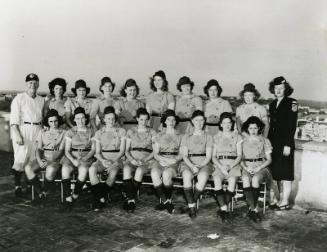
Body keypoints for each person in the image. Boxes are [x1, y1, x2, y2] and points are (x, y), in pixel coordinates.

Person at [10, 73, 45, 197]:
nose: (33, 85)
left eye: (35, 83)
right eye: (30, 83)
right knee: (20, 159)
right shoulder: (19, 98)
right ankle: (17, 186)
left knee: (33, 158)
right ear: (26, 84)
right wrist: (17, 134)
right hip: (23, 130)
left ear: (38, 84)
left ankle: (31, 186)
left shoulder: (41, 99)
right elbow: (13, 120)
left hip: (37, 130)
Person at [267, 76, 297, 210]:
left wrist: (288, 144)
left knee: (285, 173)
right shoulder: (272, 104)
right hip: (273, 143)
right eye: (276, 88)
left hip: (285, 143)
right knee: (274, 172)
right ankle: (275, 199)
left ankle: (285, 201)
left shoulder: (292, 102)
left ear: (286, 89)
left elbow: (292, 126)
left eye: (281, 88)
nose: (278, 90)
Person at [89, 106, 126, 211]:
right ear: (104, 119)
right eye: (108, 118)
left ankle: (98, 199)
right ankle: (101, 197)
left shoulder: (121, 131)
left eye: (113, 118)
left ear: (116, 119)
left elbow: (122, 151)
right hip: (103, 159)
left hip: (117, 159)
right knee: (92, 169)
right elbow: (97, 152)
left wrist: (114, 162)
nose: (111, 121)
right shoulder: (99, 132)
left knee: (113, 173)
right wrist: (103, 161)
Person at [26, 109, 66, 204]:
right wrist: (39, 161)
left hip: (56, 159)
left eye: (55, 121)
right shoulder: (42, 132)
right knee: (28, 168)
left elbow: (61, 150)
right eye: (51, 121)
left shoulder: (64, 133)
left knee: (50, 170)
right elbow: (38, 149)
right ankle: (41, 193)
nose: (53, 123)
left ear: (58, 120)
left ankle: (42, 193)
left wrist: (49, 162)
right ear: (47, 122)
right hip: (44, 157)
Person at [60, 107, 95, 211]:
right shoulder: (70, 132)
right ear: (74, 119)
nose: (80, 121)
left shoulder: (91, 131)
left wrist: (85, 158)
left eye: (83, 118)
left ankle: (75, 195)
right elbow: (67, 150)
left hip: (86, 156)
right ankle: (68, 198)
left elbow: (93, 150)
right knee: (65, 170)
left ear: (86, 119)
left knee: (83, 171)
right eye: (78, 118)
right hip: (72, 157)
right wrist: (73, 160)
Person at [180, 110, 213, 218]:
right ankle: (192, 206)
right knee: (186, 176)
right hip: (189, 162)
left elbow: (208, 156)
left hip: (204, 162)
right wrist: (192, 166)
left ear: (204, 122)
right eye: (196, 120)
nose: (199, 123)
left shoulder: (208, 136)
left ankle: (190, 204)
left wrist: (201, 165)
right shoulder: (186, 136)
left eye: (201, 120)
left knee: (203, 178)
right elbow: (184, 155)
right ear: (192, 121)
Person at [122, 108, 156, 212]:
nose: (144, 122)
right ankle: (131, 199)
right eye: (141, 119)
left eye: (146, 120)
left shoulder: (152, 132)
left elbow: (155, 151)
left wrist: (145, 159)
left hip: (146, 159)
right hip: (133, 158)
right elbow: (126, 150)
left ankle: (130, 199)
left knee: (139, 171)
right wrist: (132, 160)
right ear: (137, 119)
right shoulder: (131, 131)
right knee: (126, 169)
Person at [240, 116, 272, 222]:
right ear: (247, 129)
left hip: (261, 167)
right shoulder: (242, 141)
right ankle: (254, 209)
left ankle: (252, 209)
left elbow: (269, 160)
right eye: (250, 128)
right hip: (247, 166)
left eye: (255, 128)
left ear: (259, 128)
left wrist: (259, 167)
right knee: (245, 179)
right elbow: (240, 159)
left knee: (255, 180)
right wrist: (245, 167)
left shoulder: (265, 141)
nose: (253, 131)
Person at [211, 112, 242, 222]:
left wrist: (230, 166)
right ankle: (224, 209)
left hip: (233, 163)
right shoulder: (216, 137)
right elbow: (213, 156)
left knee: (232, 180)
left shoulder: (237, 137)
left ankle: (222, 208)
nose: (227, 125)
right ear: (220, 124)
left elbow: (239, 155)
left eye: (229, 123)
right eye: (224, 123)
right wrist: (221, 166)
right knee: (216, 179)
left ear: (232, 124)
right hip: (219, 163)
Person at [151, 109, 182, 213]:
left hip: (174, 161)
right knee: (154, 173)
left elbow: (182, 154)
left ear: (176, 122)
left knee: (166, 175)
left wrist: (173, 160)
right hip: (160, 160)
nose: (171, 122)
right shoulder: (159, 135)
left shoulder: (180, 136)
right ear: (165, 121)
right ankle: (166, 202)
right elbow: (156, 153)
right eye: (169, 120)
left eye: (173, 120)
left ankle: (166, 201)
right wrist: (163, 159)